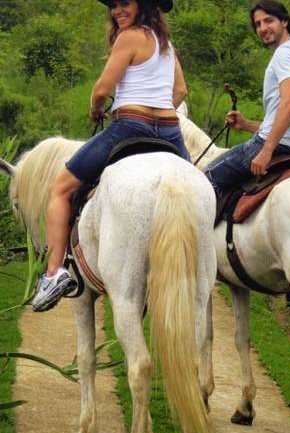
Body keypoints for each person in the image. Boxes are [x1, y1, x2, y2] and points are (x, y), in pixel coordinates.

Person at [30, 0, 190, 312]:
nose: (117, 10)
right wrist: (157, 107)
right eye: (113, 5)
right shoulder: (165, 44)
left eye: (124, 3)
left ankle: (54, 273)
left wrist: (96, 111)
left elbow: (102, 89)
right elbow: (181, 90)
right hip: (171, 131)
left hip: (130, 126)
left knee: (60, 189)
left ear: (142, 5)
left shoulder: (128, 37)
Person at [203, 0, 290, 198]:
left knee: (203, 182)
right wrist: (246, 124)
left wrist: (266, 151)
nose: (263, 28)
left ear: (284, 22)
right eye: (258, 24)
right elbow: (289, 118)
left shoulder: (285, 53)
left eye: (269, 21)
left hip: (278, 146)